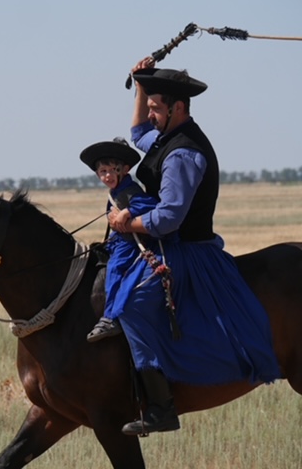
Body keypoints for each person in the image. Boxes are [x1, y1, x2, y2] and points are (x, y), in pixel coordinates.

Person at [109, 59, 282, 436]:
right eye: (151, 106)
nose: (150, 114)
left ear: (178, 108)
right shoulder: (165, 135)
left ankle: (161, 407)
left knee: (135, 305)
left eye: (156, 107)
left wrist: (128, 223)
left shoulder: (184, 154)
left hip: (188, 251)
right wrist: (141, 84)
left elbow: (169, 217)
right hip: (165, 242)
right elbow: (138, 131)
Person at [79, 138, 159, 343]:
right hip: (118, 241)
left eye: (110, 170)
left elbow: (151, 204)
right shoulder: (115, 192)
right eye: (102, 172)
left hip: (128, 244)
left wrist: (128, 212)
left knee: (114, 270)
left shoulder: (131, 191)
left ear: (123, 169)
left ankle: (110, 317)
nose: (106, 176)